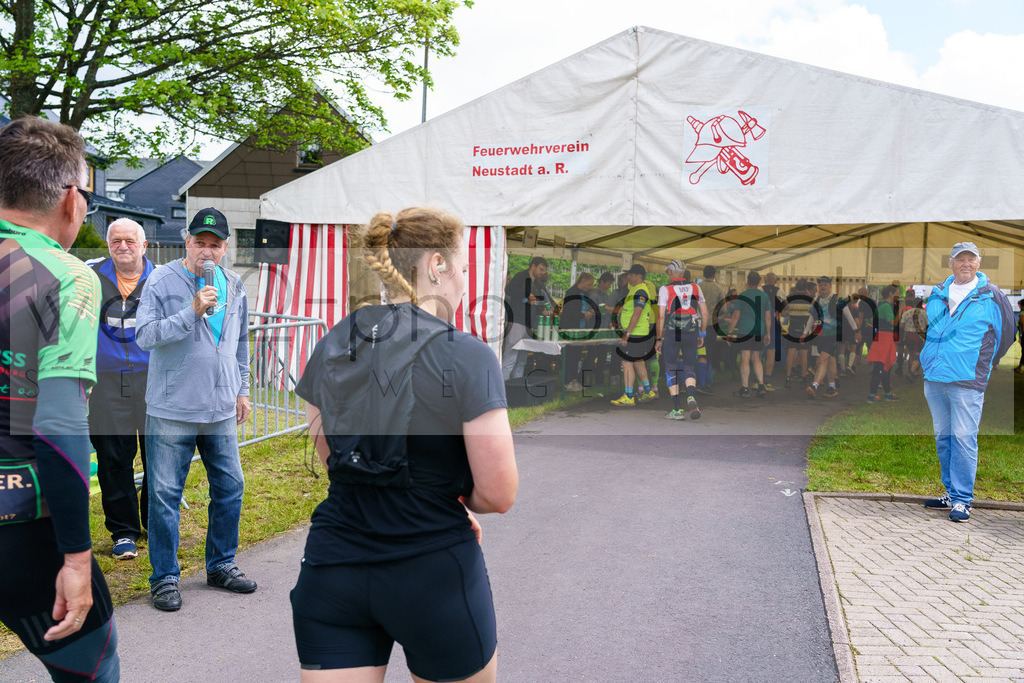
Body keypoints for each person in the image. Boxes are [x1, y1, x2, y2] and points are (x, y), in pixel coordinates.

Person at [291, 208, 518, 682]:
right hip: (432, 571)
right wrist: (447, 494)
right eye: (463, 265)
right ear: (437, 264)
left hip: (335, 567)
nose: (465, 278)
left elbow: (335, 457)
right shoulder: (467, 354)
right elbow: (498, 493)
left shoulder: (336, 340)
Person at [0, 117, 121, 681]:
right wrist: (76, 556)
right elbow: (58, 425)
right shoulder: (67, 275)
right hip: (25, 525)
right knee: (92, 672)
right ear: (73, 199)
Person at [136, 207, 255, 611]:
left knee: (231, 487)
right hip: (172, 408)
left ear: (225, 249)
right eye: (200, 243)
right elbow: (144, 335)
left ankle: (221, 564)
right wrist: (191, 312)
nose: (207, 251)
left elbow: (240, 343)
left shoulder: (235, 284)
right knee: (165, 494)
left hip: (221, 407)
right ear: (187, 241)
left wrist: (243, 390)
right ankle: (165, 577)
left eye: (215, 245)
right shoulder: (160, 279)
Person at [920, 242, 1016, 523]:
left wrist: (982, 362)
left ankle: (963, 500)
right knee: (945, 438)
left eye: (970, 259)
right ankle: (950, 493)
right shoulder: (938, 293)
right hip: (935, 378)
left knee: (963, 439)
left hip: (967, 379)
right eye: (960, 259)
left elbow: (1007, 335)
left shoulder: (991, 295)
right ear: (950, 263)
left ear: (979, 262)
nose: (965, 263)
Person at [88, 218, 155, 561]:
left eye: (130, 240)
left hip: (155, 378)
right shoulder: (89, 276)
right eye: (116, 241)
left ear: (144, 246)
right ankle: (124, 532)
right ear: (108, 245)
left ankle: (156, 525)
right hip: (106, 378)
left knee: (159, 454)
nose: (123, 246)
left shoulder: (162, 278)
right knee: (113, 457)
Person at [655, 261, 708, 419]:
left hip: (673, 333)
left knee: (670, 366)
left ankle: (677, 409)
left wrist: (658, 338)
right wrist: (702, 333)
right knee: (689, 366)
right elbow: (705, 314)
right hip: (691, 331)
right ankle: (691, 396)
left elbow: (661, 316)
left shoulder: (665, 289)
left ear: (671, 273)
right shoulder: (695, 287)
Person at [802, 276, 861, 399]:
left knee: (823, 359)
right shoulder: (815, 300)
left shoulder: (838, 299)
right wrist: (805, 332)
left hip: (833, 335)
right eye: (821, 285)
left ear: (830, 286)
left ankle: (814, 386)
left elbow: (849, 316)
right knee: (827, 362)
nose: (822, 287)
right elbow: (812, 318)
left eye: (825, 284)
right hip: (819, 335)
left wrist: (856, 330)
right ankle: (832, 387)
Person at [611, 264, 657, 406]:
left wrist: (627, 334)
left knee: (627, 363)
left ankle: (629, 396)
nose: (627, 277)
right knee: (638, 362)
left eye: (630, 275)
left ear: (638, 276)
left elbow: (637, 312)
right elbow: (628, 309)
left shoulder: (641, 291)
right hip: (638, 333)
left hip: (635, 334)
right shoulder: (635, 289)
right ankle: (648, 391)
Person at [501, 256, 550, 380]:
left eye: (543, 270)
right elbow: (509, 290)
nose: (542, 272)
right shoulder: (520, 276)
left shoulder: (537, 284)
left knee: (522, 359)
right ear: (533, 266)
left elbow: (536, 302)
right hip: (517, 320)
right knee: (511, 356)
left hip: (529, 324)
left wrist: (542, 310)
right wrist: (527, 296)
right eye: (540, 269)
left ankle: (516, 386)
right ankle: (503, 387)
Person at [726, 271, 772, 398]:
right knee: (756, 358)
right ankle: (761, 385)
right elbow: (768, 316)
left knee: (745, 358)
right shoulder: (764, 296)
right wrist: (768, 333)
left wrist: (730, 332)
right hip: (759, 330)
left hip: (745, 330)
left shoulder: (742, 296)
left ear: (747, 281)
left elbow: (736, 316)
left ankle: (745, 388)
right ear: (759, 283)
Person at [864, 285, 901, 402]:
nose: (899, 295)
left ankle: (887, 393)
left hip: (884, 338)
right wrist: (900, 309)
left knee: (886, 367)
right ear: (891, 294)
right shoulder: (885, 306)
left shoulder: (883, 305)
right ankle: (872, 395)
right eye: (897, 293)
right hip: (884, 339)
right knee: (879, 367)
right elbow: (893, 323)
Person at [1016, 299, 1024, 374]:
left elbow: (1022, 323)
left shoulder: (1022, 313)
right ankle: (1019, 367)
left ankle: (1019, 367)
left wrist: (1021, 336)